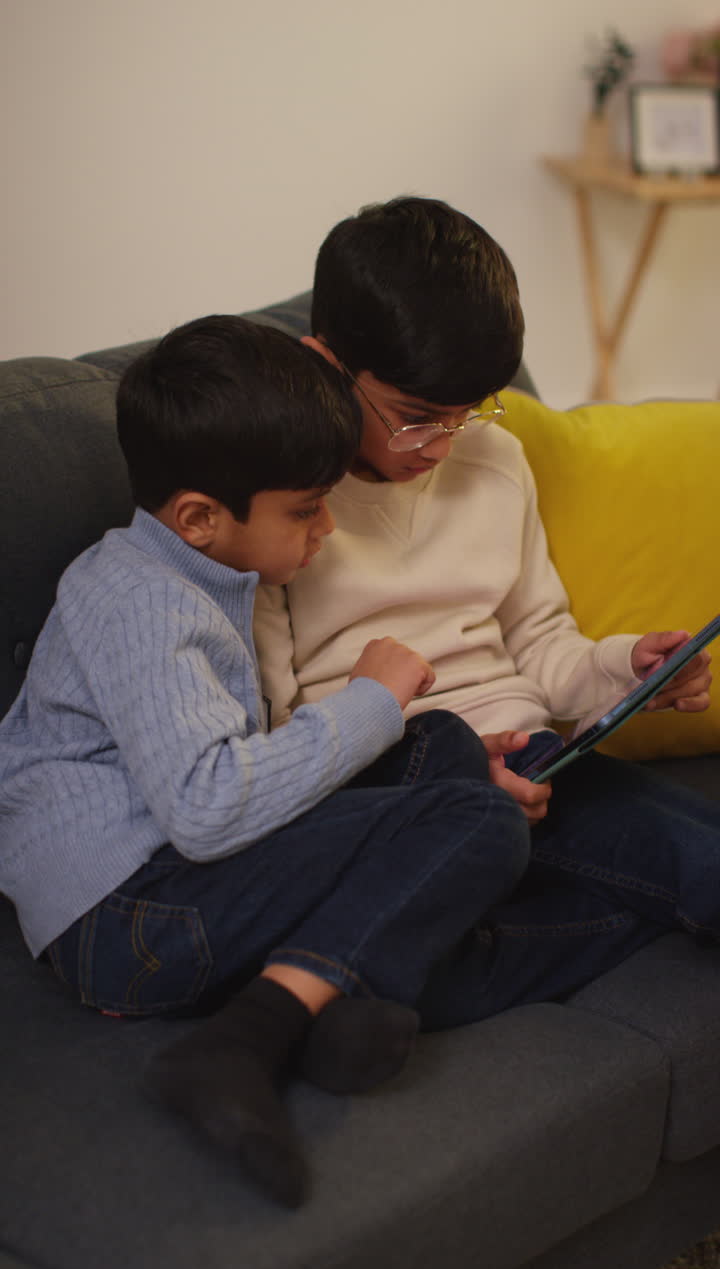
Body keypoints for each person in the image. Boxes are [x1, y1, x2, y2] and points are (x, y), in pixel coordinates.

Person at [0, 314, 536, 1208]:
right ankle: (248, 1038)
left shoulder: (194, 578)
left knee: (439, 747)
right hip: (124, 916)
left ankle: (330, 1014)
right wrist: (370, 701)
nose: (325, 529)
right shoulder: (139, 600)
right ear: (201, 519)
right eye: (304, 508)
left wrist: (395, 730)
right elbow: (208, 809)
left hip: (162, 888)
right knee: (475, 818)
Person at [253, 195, 720, 1031]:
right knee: (688, 868)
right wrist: (450, 789)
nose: (442, 446)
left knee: (693, 845)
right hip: (396, 791)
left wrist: (626, 668)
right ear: (325, 362)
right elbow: (275, 731)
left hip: (540, 766)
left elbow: (540, 644)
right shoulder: (271, 511)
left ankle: (380, 986)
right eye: (417, 420)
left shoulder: (493, 460)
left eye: (470, 413)